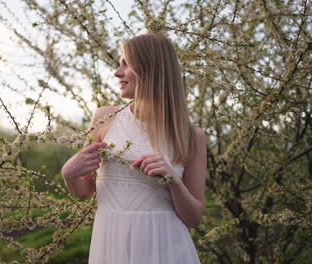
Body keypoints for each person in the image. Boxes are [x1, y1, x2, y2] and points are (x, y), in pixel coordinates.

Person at [61, 32, 206, 264]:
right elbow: (84, 192)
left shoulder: (191, 136)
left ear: (150, 68)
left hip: (167, 248)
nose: (117, 73)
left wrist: (173, 180)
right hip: (111, 245)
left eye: (125, 64)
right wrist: (69, 174)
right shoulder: (105, 118)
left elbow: (193, 218)